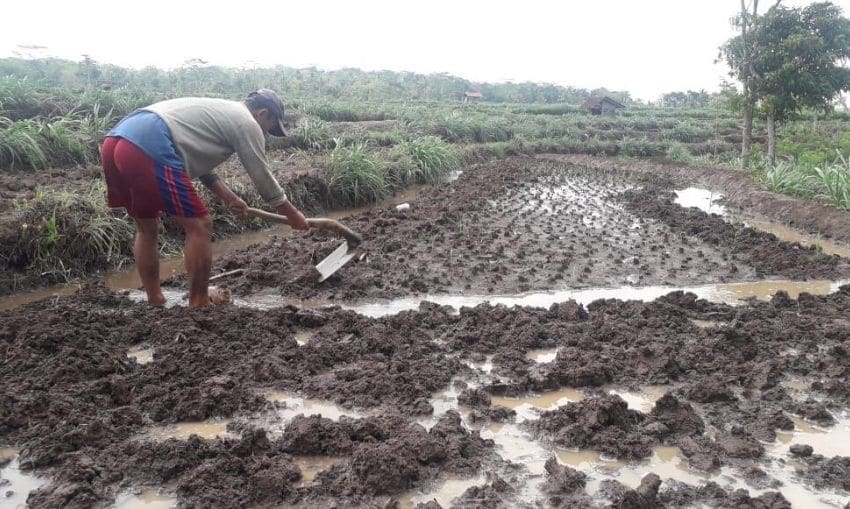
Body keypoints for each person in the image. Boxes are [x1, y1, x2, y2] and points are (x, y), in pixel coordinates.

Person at [101, 89, 310, 308]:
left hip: (117, 140)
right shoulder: (246, 122)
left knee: (146, 230)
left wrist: (229, 197)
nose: (266, 133)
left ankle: (155, 299)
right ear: (263, 113)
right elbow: (262, 176)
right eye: (270, 126)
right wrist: (292, 214)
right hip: (148, 143)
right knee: (200, 225)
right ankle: (199, 303)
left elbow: (201, 166)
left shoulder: (222, 112)